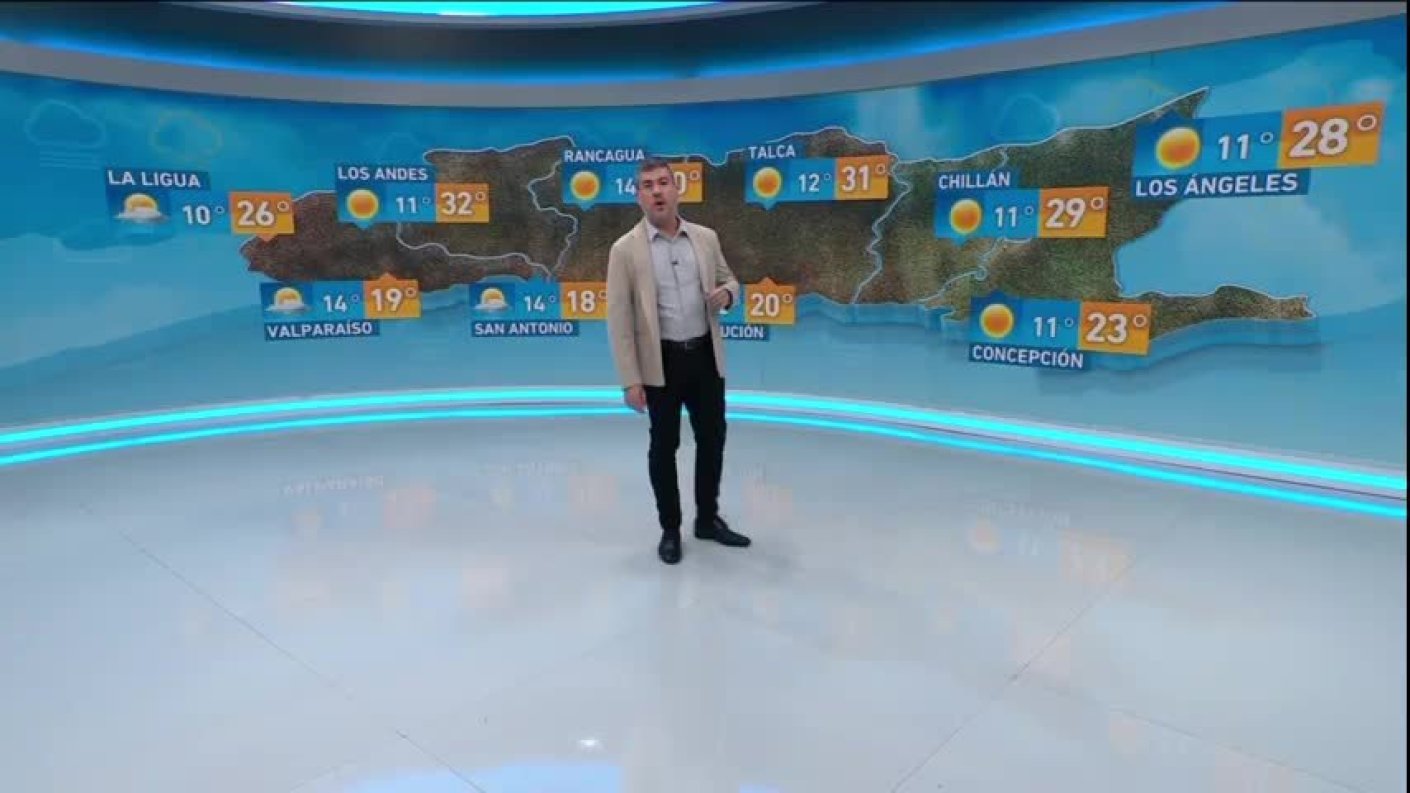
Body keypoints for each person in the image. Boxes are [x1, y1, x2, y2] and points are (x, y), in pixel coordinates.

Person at [606, 156, 751, 564]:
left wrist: (728, 294)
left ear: (677, 189)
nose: (657, 191)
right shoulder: (624, 251)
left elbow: (730, 280)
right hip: (661, 364)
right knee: (663, 447)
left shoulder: (705, 238)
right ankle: (670, 529)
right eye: (648, 185)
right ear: (638, 196)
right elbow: (619, 319)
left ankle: (707, 520)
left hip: (704, 357)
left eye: (663, 183)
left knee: (712, 439)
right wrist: (630, 379)